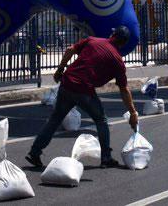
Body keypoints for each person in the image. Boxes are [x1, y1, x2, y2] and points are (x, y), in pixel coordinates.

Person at [26, 26, 138, 169]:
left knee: (55, 119)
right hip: (84, 90)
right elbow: (124, 89)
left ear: (113, 34)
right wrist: (133, 112)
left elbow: (70, 50)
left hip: (67, 84)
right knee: (101, 120)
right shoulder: (118, 60)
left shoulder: (93, 41)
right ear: (123, 43)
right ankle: (106, 157)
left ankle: (34, 152)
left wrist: (60, 70)